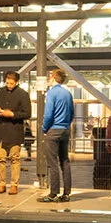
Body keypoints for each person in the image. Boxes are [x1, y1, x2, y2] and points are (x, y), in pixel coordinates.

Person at [0, 71, 31, 196]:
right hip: (0, 129)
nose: (9, 85)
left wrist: (12, 114)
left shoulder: (23, 94)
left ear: (17, 82)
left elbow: (27, 113)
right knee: (0, 159)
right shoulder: (0, 91)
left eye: (11, 83)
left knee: (15, 159)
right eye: (7, 83)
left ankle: (14, 185)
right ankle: (1, 184)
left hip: (14, 130)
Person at [37, 68, 74, 204]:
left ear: (53, 78)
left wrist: (45, 128)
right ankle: (66, 193)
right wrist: (66, 124)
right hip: (65, 130)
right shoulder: (67, 94)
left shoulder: (51, 93)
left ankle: (53, 193)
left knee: (52, 163)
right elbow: (72, 113)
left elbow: (48, 114)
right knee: (65, 161)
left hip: (54, 130)